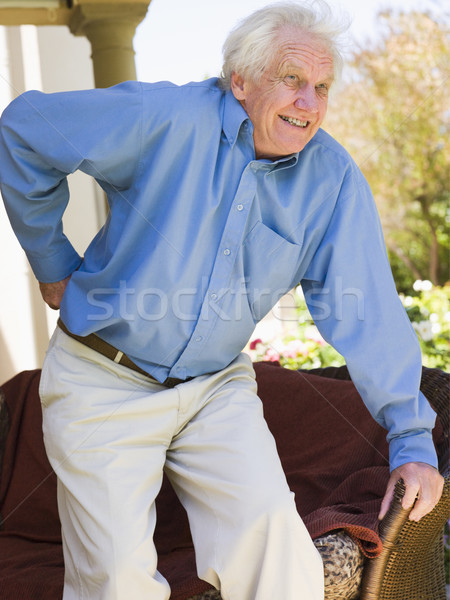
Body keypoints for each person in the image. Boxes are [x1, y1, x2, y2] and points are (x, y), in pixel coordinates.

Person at [0, 1, 444, 599]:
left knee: (276, 555)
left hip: (214, 387)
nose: (309, 104)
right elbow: (25, 129)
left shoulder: (332, 181)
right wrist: (51, 261)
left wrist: (411, 440)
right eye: (291, 80)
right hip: (103, 376)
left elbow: (364, 309)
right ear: (240, 80)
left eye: (321, 87)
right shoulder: (164, 116)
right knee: (115, 582)